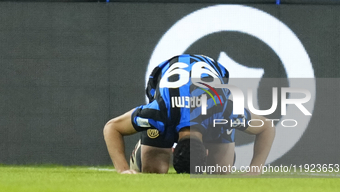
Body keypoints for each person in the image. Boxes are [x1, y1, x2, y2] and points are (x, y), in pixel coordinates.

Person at [103, 54, 275, 174]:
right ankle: (143, 146)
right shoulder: (159, 113)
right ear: (173, 148)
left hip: (209, 76)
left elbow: (267, 127)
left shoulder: (223, 113)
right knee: (154, 170)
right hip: (165, 74)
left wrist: (255, 170)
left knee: (220, 171)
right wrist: (123, 170)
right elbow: (111, 128)